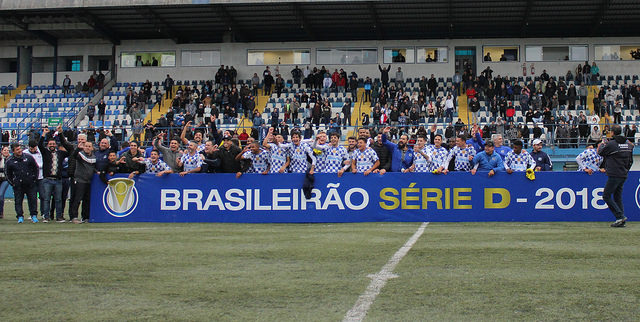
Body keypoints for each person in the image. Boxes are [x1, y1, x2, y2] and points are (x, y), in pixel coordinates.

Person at [597, 125, 634, 227]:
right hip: (623, 174)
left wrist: (603, 144)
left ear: (612, 132)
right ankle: (621, 220)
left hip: (614, 173)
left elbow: (600, 153)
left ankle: (620, 216)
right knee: (617, 197)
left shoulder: (612, 144)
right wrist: (626, 170)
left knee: (606, 196)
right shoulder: (628, 144)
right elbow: (631, 161)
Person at [38, 127, 70, 222]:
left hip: (57, 180)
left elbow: (69, 150)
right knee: (46, 199)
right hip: (47, 179)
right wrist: (43, 134)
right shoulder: (45, 153)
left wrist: (60, 134)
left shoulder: (60, 153)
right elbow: (39, 145)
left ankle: (59, 216)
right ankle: (46, 216)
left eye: (53, 144)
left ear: (56, 145)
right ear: (48, 145)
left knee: (58, 199)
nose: (52, 145)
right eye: (50, 144)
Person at [5, 143, 39, 223]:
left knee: (33, 200)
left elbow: (36, 168)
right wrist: (12, 183)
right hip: (18, 185)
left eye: (20, 149)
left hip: (30, 184)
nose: (19, 150)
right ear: (13, 151)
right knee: (18, 201)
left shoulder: (28, 157)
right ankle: (20, 216)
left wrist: (34, 179)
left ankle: (33, 215)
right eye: (17, 149)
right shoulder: (10, 161)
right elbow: (7, 174)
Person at [69, 141, 96, 224]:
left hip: (88, 181)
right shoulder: (80, 155)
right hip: (80, 180)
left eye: (89, 146)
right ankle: (74, 217)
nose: (87, 148)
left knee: (87, 200)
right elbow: (73, 156)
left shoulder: (94, 157)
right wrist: (78, 148)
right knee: (77, 199)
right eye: (86, 146)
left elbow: (92, 167)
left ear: (92, 148)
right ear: (83, 147)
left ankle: (85, 217)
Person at [0, 146, 10, 219]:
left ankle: (1, 212)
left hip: (5, 179)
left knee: (0, 195)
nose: (6, 151)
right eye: (4, 150)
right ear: (2, 151)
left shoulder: (10, 159)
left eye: (7, 150)